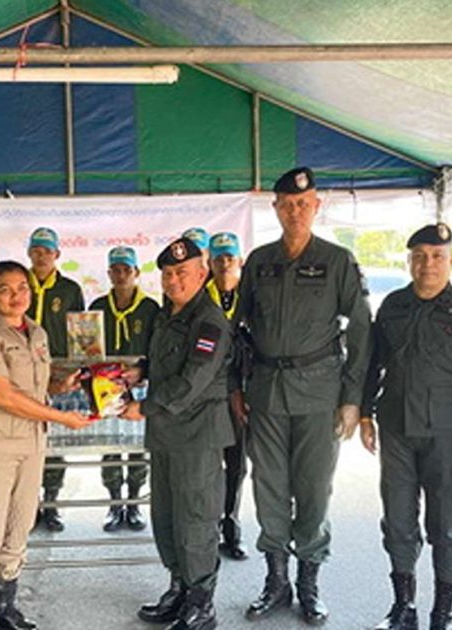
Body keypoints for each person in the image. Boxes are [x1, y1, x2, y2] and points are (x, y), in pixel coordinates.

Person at [233, 167, 372, 625]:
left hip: (320, 393)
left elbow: (361, 329)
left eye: (303, 204)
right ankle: (277, 582)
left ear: (316, 206)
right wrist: (236, 387)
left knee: (313, 490)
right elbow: (236, 329)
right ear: (276, 208)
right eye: (287, 205)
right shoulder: (259, 261)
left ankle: (309, 582)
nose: (295, 211)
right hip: (266, 393)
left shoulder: (337, 261)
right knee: (268, 488)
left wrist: (353, 398)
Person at [359, 223, 452, 630]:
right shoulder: (393, 306)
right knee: (398, 522)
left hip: (449, 434)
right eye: (420, 256)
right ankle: (403, 608)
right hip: (397, 430)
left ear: (451, 260)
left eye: (437, 256)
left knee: (444, 526)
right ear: (409, 261)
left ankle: (442, 613)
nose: (428, 264)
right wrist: (365, 413)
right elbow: (373, 362)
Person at [0, 261, 91, 630]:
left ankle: (5, 609)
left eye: (22, 288)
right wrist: (60, 416)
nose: (16, 296)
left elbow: (32, 386)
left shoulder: (37, 333)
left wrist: (60, 387)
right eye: (5, 289)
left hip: (31, 442)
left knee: (19, 527)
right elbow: (2, 394)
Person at [122, 237, 233, 630]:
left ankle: (202, 604)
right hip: (167, 434)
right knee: (167, 517)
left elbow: (192, 380)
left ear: (202, 274)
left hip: (197, 436)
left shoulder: (209, 321)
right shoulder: (167, 315)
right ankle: (180, 588)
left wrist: (144, 407)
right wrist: (140, 371)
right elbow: (163, 362)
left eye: (182, 272)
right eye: (168, 274)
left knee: (195, 520)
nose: (173, 280)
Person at [89, 246, 160, 532]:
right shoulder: (98, 306)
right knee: (110, 447)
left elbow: (158, 349)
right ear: (109, 273)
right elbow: (88, 348)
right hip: (106, 387)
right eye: (116, 270)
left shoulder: (150, 308)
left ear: (136, 272)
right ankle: (115, 503)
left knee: (138, 447)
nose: (121, 275)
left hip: (140, 385)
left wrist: (144, 371)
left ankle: (133, 503)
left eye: (126, 270)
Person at [26, 227, 86, 532]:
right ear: (29, 253)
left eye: (47, 251)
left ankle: (51, 504)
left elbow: (81, 335)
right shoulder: (18, 284)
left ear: (57, 254)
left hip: (59, 373)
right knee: (25, 441)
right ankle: (29, 506)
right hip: (22, 373)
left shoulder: (70, 289)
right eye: (36, 251)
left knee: (55, 442)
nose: (41, 256)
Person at [206, 231, 250, 560]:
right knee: (207, 464)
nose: (224, 264)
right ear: (209, 262)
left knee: (237, 464)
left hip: (241, 394)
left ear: (240, 261)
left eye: (229, 258)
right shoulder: (198, 297)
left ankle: (231, 527)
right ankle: (207, 528)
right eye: (218, 258)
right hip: (207, 394)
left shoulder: (251, 299)